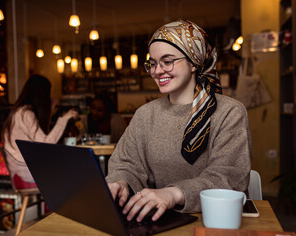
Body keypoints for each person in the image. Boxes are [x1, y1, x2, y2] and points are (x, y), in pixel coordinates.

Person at [106, 20, 251, 222]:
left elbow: (228, 177)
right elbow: (125, 164)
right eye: (153, 63)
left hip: (213, 221)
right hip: (156, 221)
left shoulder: (229, 112)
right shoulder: (145, 115)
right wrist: (119, 182)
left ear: (193, 62)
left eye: (167, 61)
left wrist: (172, 194)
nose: (157, 71)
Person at [2, 74, 78, 187]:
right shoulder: (26, 114)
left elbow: (41, 139)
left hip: (20, 172)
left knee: (69, 170)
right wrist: (65, 118)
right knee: (75, 172)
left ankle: (53, 204)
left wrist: (49, 112)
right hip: (27, 174)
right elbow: (46, 143)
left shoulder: (19, 111)